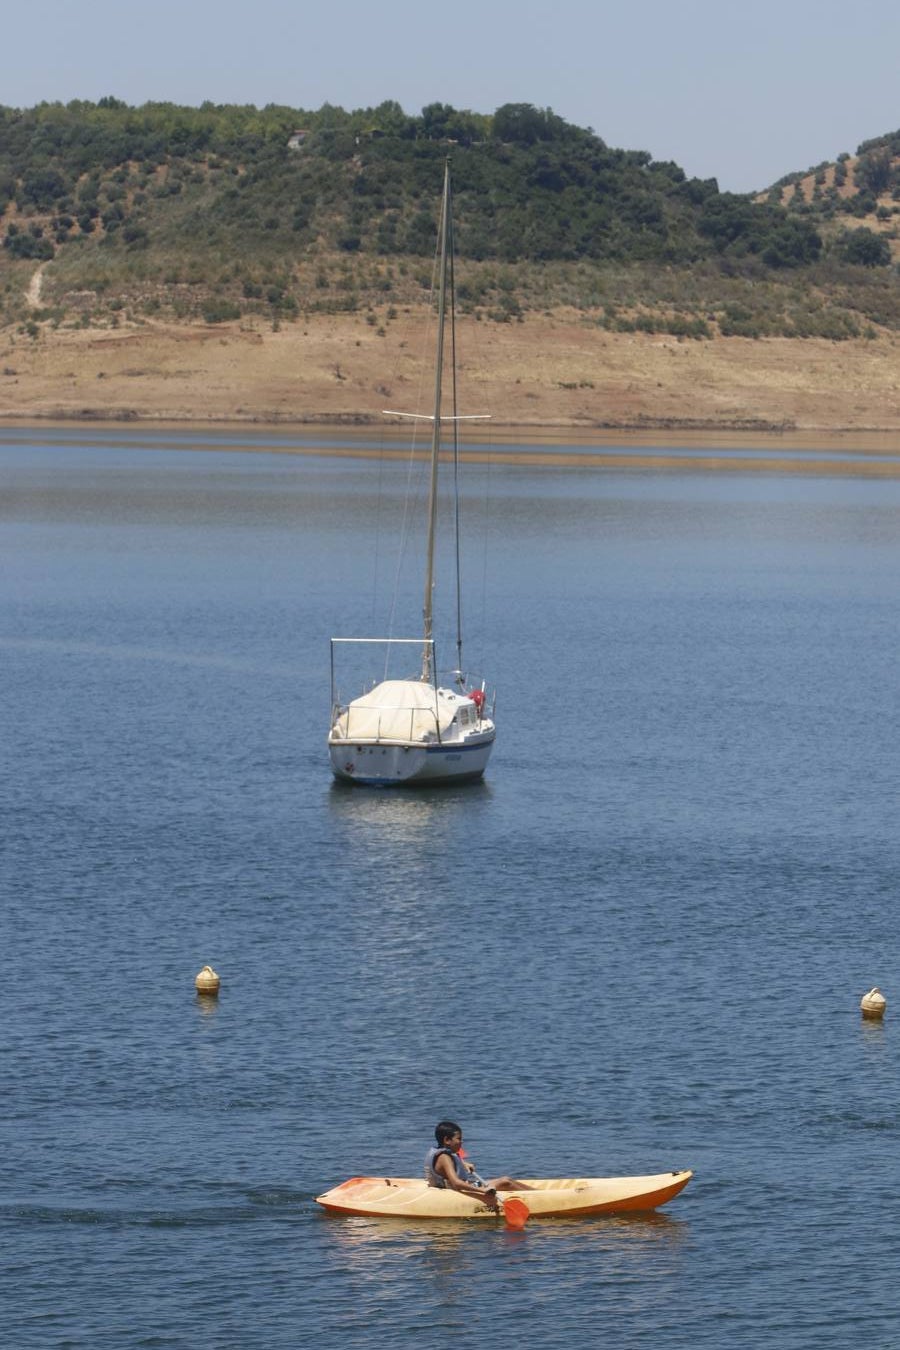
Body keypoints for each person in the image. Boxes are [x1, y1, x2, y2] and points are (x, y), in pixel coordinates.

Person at [424, 1120, 532, 1212]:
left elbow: (445, 1167)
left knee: (506, 1180)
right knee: (505, 1181)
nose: (461, 1142)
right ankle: (539, 1195)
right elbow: (456, 1183)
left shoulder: (441, 1154)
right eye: (459, 1139)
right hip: (459, 1190)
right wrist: (482, 1191)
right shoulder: (444, 1157)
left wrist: (463, 1163)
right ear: (447, 1140)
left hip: (458, 1187)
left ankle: (537, 1192)